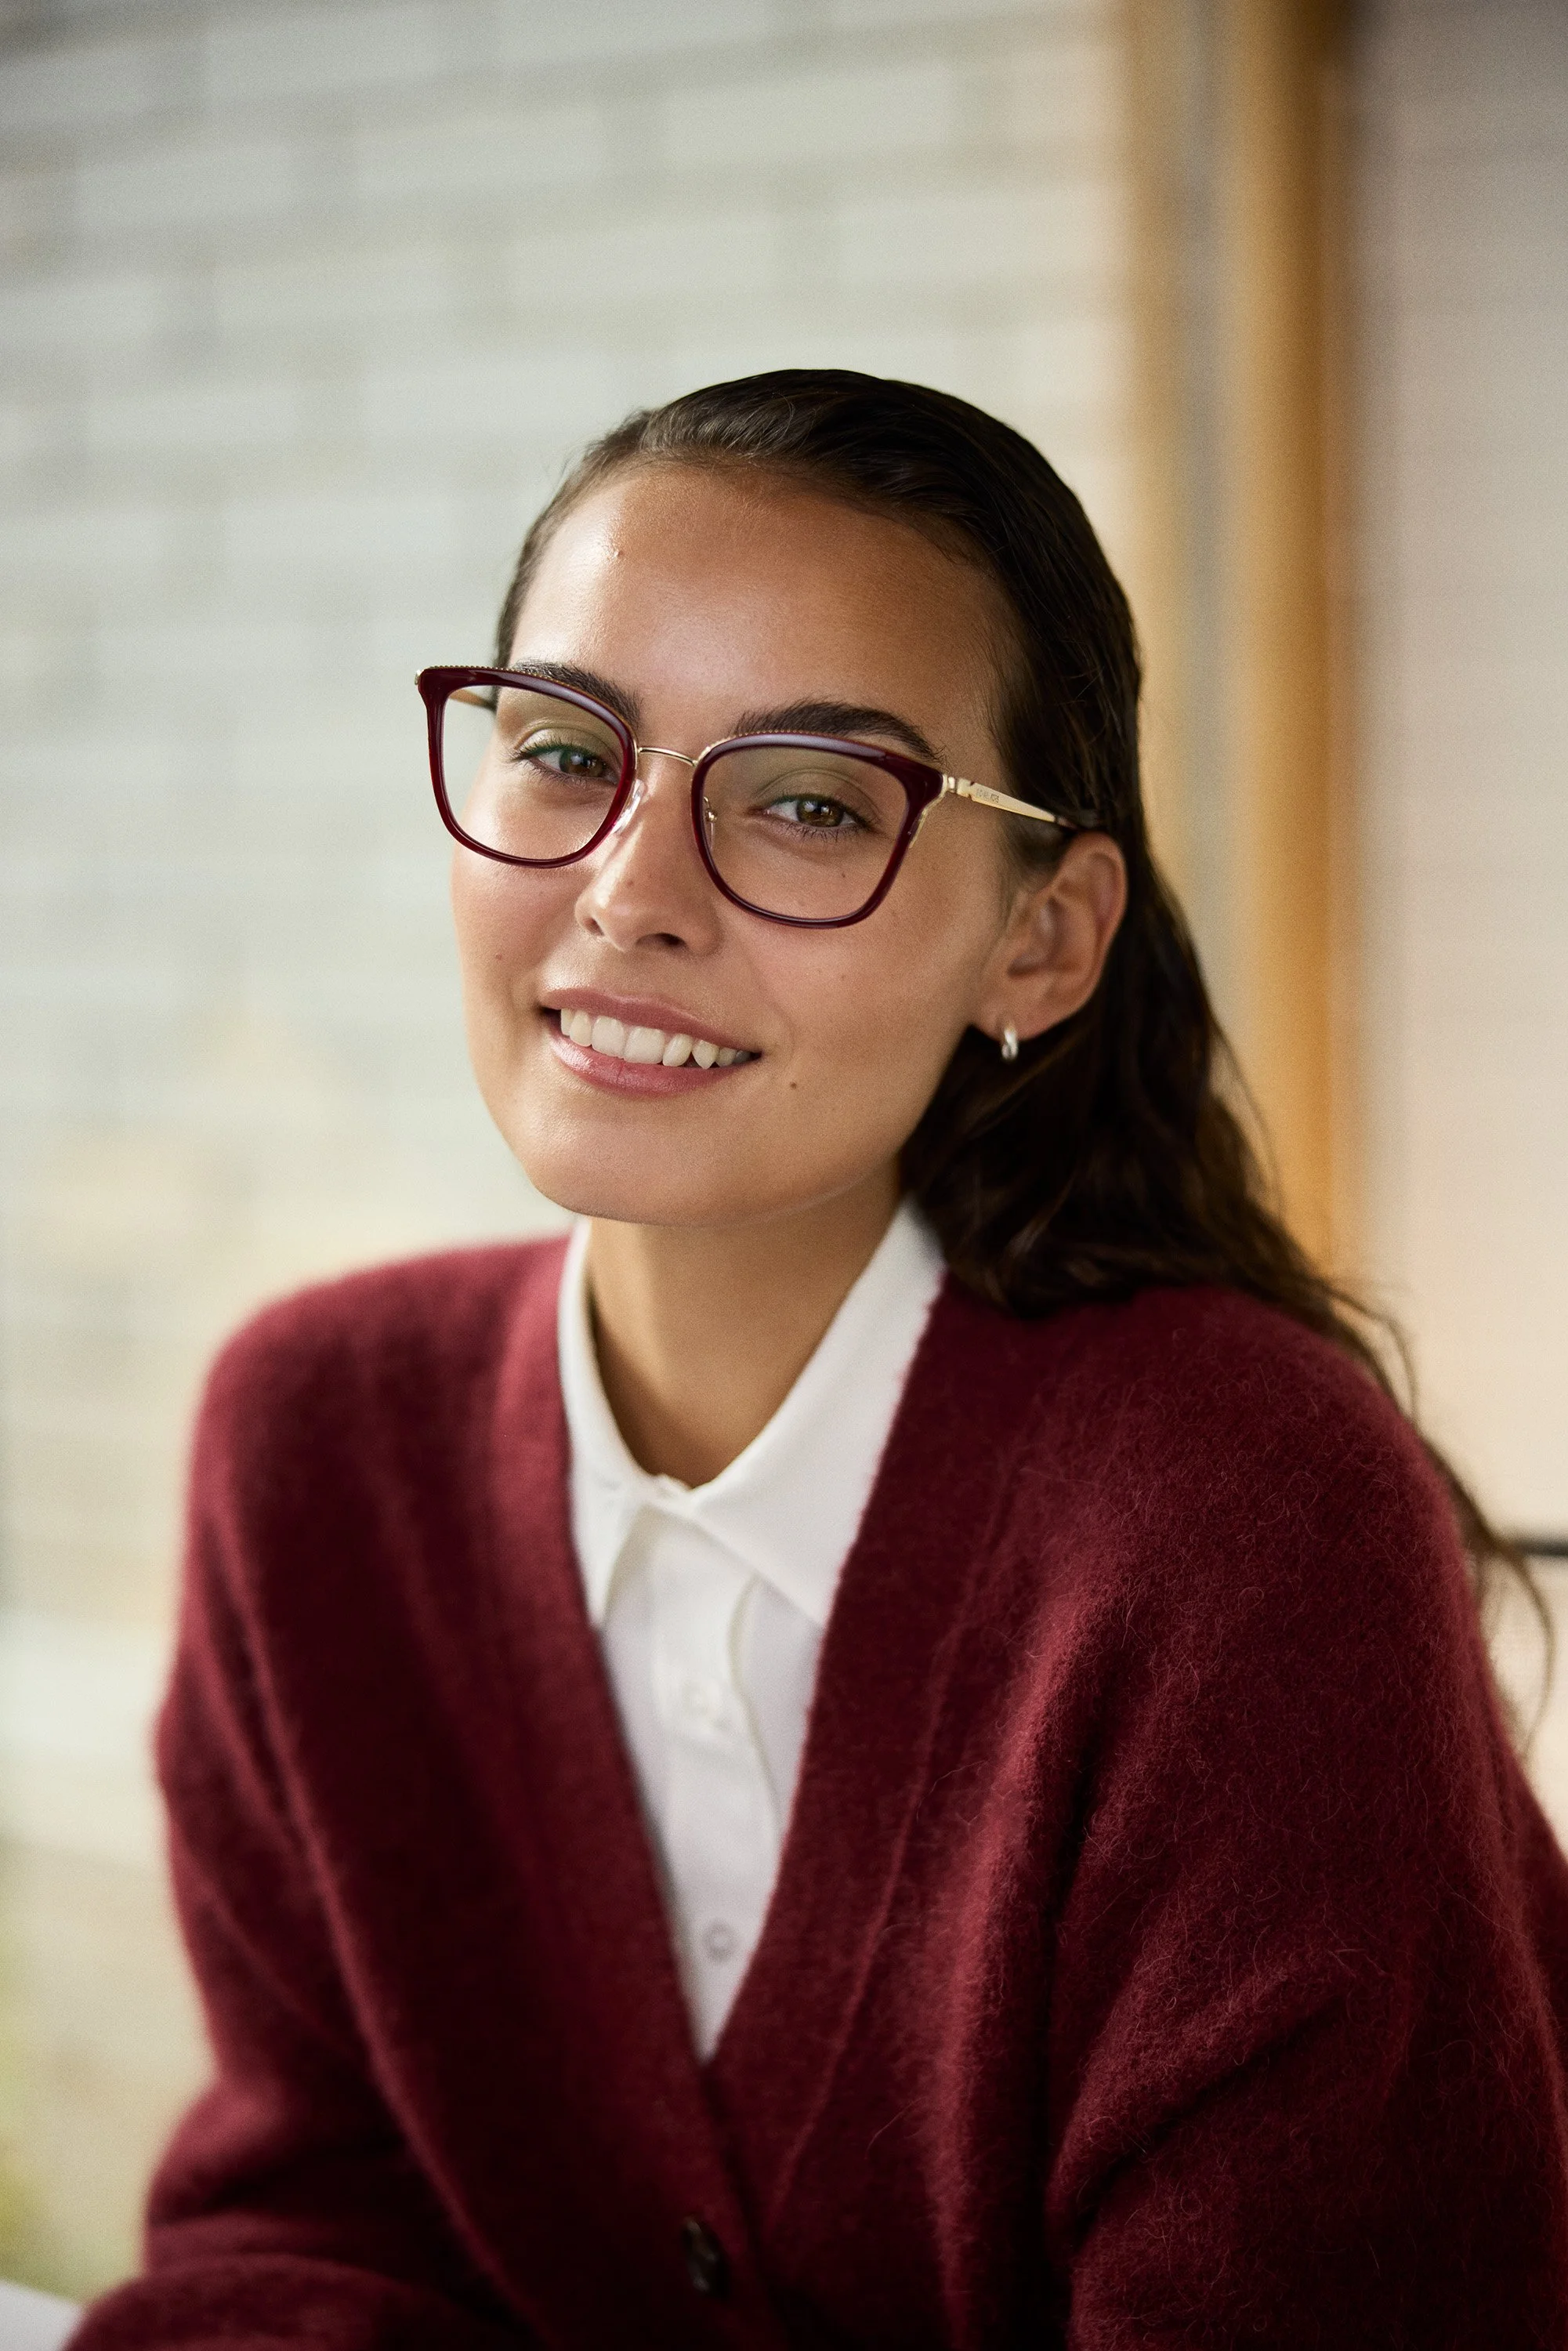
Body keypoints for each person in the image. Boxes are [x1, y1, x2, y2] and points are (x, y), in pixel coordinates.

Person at [71, 372, 1568, 2351]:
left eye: (803, 802)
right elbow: (305, 2233)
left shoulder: (1247, 1523)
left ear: (1040, 939)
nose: (628, 892)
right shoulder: (312, 1441)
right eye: (561, 745)